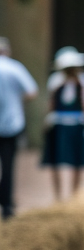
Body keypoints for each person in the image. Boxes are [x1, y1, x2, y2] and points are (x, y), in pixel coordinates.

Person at [42, 46, 84, 199]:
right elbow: (51, 105)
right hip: (59, 125)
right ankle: (58, 196)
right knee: (56, 161)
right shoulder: (56, 81)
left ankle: (74, 194)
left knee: (78, 161)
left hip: (77, 124)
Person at [0, 37, 38, 219]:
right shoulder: (15, 68)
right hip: (11, 124)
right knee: (8, 166)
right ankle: (6, 204)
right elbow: (32, 92)